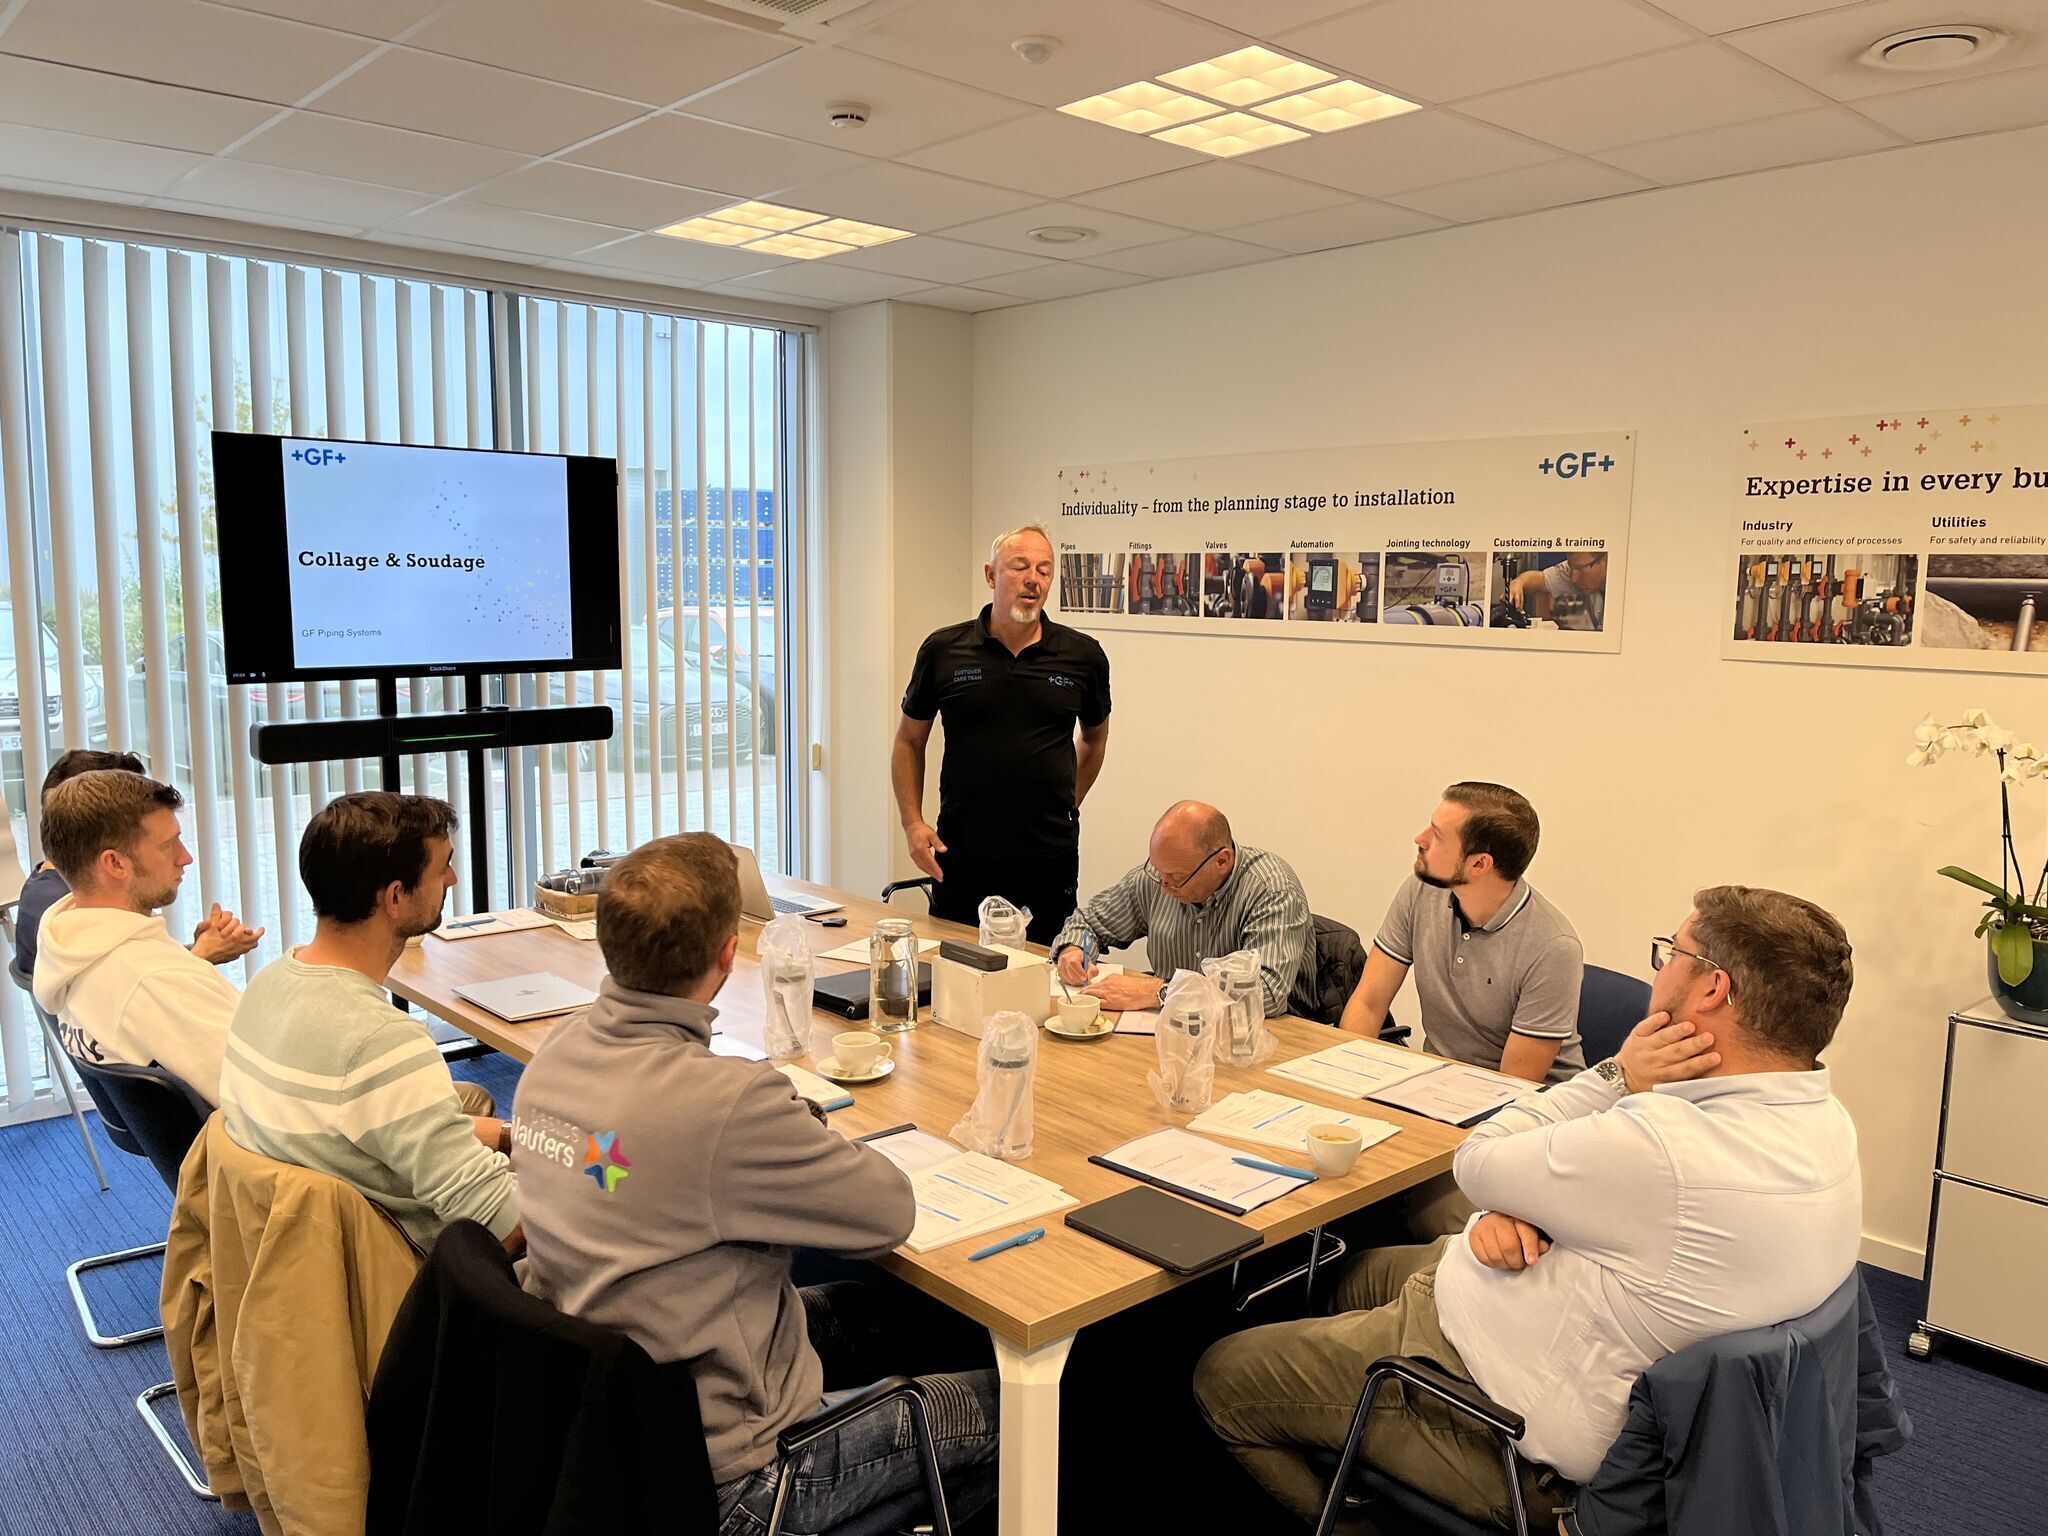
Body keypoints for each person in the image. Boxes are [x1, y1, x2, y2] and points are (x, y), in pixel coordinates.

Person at [1194, 886, 1863, 1533]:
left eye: (1672, 953)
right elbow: (1641, 1221)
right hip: (1530, 1317)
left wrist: (1619, 1076)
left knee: (1221, 1376)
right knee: (1352, 1275)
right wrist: (1520, 1206)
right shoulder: (1824, 1124)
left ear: (1713, 988)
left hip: (1502, 1426)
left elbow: (1478, 1158)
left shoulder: (1662, 1148)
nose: (1660, 970)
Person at [511, 834, 998, 1533]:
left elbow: (632, 1165)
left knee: (873, 1312)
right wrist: (790, 1120)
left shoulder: (555, 1053)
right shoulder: (726, 1103)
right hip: (735, 1480)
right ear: (727, 956)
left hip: (611, 1429)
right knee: (1023, 1404)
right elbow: (888, 1210)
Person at [218, 792, 518, 1255]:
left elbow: (358, 1121)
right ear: (396, 897)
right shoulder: (382, 1042)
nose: (453, 879)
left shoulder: (268, 984)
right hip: (414, 1277)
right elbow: (500, 1222)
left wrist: (520, 1139)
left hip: (303, 1257)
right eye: (443, 867)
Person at [894, 523, 1111, 946]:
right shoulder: (943, 651)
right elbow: (909, 741)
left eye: (1044, 570)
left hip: (1048, 859)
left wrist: (1067, 801)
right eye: (1020, 567)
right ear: (991, 575)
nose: (1033, 579)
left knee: (1045, 975)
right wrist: (912, 822)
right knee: (955, 973)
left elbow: (1095, 740)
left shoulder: (1083, 656)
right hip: (962, 855)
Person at [31, 769, 263, 1104]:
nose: (185, 857)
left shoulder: (65, 940)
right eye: (169, 845)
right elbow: (262, 1098)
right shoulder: (153, 980)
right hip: (253, 1148)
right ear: (115, 864)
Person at [1339, 783, 1585, 1087]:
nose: (1420, 839)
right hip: (1436, 1083)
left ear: (1479, 863)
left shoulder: (1553, 947)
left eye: (1437, 835)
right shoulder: (1421, 891)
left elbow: (1513, 1088)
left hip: (1529, 1109)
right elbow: (1368, 1002)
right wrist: (1347, 1083)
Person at [1050, 801, 1318, 1019]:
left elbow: (1265, 994)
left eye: (1177, 878)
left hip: (1263, 1041)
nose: (1164, 887)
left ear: (1222, 861)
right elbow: (1089, 922)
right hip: (1173, 1032)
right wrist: (1073, 949)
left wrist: (1160, 991)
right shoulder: (1158, 877)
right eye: (1159, 872)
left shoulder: (1272, 891)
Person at [1508, 551, 1607, 629]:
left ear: (1604, 559)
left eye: (1580, 569)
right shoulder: (1577, 566)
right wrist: (1519, 582)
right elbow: (1538, 579)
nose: (1573, 579)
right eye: (1572, 569)